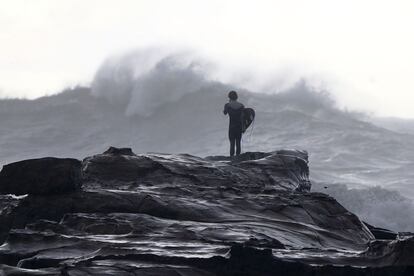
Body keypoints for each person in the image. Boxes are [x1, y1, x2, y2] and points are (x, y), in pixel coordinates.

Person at [223, 90, 245, 157]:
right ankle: (238, 158)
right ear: (236, 97)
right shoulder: (241, 106)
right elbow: (243, 117)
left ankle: (232, 159)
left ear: (229, 97)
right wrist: (244, 127)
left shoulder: (227, 105)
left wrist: (228, 104)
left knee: (232, 144)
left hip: (232, 127)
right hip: (239, 126)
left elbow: (225, 113)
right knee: (238, 143)